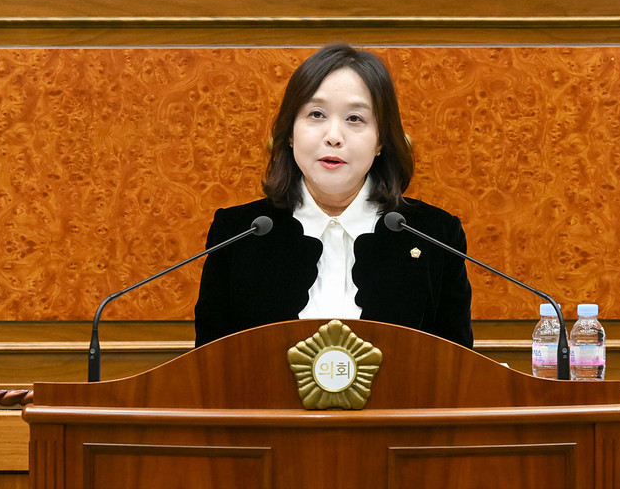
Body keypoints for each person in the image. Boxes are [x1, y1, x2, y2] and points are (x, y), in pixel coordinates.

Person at [194, 44, 473, 348]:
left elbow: (455, 367)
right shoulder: (237, 234)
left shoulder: (435, 236)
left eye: (355, 118)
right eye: (316, 114)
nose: (334, 137)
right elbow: (210, 366)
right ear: (290, 133)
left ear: (381, 140)